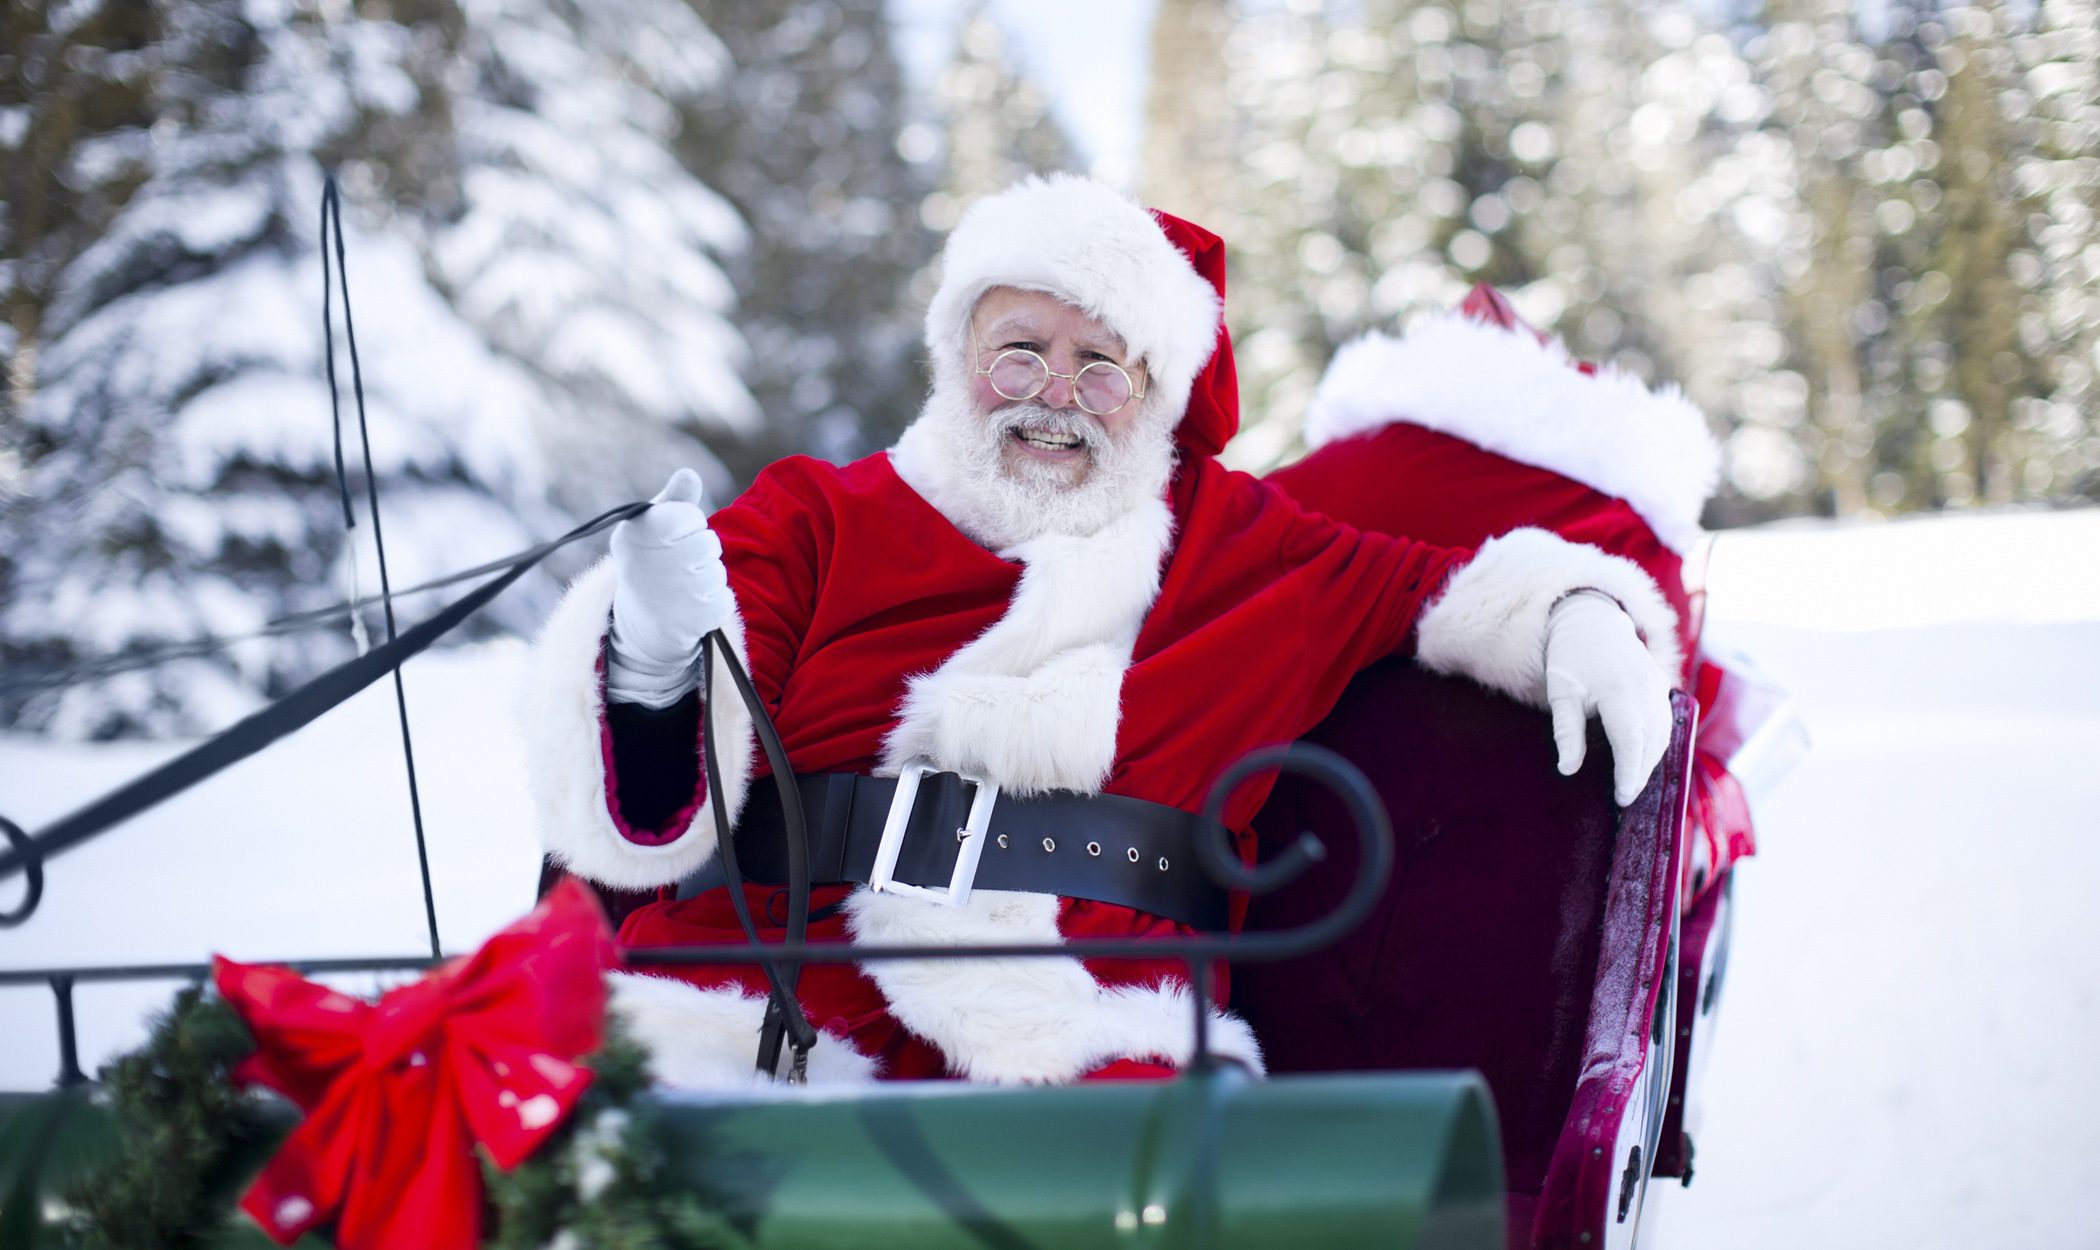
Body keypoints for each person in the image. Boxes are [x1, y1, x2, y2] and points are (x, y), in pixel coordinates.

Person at [520, 174, 1685, 1086]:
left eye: (1100, 367)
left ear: (1155, 392)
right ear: (958, 357)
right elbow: (664, 777)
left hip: (1074, 1039)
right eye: (1019, 349)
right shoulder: (814, 514)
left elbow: (1446, 586)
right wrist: (658, 657)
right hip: (752, 1004)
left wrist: (1572, 614)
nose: (1053, 392)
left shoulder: (1244, 542)